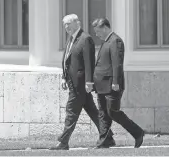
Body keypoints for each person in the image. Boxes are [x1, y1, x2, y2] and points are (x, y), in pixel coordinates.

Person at [49, 14, 115, 150]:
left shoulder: (86, 39)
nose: (66, 27)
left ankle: (63, 142)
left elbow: (89, 62)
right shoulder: (71, 39)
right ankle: (108, 137)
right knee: (93, 112)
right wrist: (63, 77)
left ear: (77, 23)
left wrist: (89, 82)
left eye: (68, 24)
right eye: (64, 25)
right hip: (72, 82)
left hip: (81, 84)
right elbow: (67, 60)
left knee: (71, 111)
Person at [92, 18, 144, 149]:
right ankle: (104, 141)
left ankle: (137, 132)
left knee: (113, 112)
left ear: (105, 28)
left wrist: (115, 82)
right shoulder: (106, 41)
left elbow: (117, 64)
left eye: (98, 31)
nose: (96, 35)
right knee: (103, 113)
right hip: (102, 85)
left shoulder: (116, 41)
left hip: (111, 85)